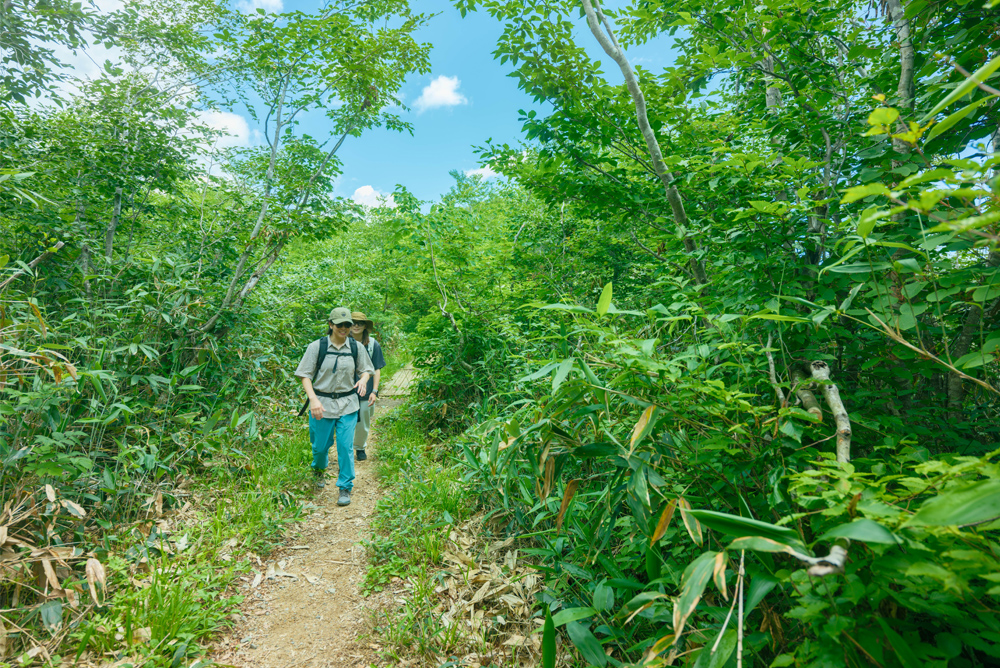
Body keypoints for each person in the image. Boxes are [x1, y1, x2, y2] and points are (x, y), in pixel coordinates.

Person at [294, 307, 374, 507]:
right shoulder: (317, 347)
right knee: (320, 448)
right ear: (331, 324)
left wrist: (364, 379)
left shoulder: (356, 347)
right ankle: (319, 470)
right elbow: (305, 374)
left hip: (348, 403)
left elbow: (367, 369)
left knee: (345, 446)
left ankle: (345, 485)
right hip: (322, 404)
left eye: (347, 325)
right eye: (340, 325)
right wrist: (313, 399)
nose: (344, 328)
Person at [349, 311, 386, 461]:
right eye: (353, 322)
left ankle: (360, 447)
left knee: (364, 419)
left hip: (367, 388)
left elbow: (376, 368)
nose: (356, 326)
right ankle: (346, 448)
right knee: (346, 420)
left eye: (360, 323)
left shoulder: (372, 344)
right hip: (345, 389)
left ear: (365, 326)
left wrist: (375, 391)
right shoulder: (342, 341)